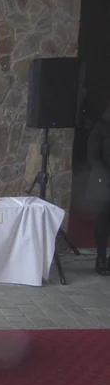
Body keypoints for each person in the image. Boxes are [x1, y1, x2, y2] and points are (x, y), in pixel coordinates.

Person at [86, 104, 110, 276]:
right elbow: (93, 156)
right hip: (104, 183)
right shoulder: (100, 128)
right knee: (103, 222)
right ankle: (101, 259)